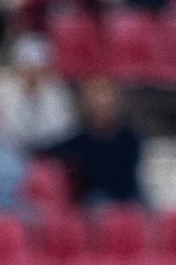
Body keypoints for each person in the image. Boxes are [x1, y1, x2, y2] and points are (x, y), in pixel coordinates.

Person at [46, 76, 144, 205]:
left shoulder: (133, 139)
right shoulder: (75, 143)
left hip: (127, 202)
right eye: (94, 95)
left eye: (105, 94)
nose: (100, 102)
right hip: (88, 205)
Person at [0, 33, 76, 150]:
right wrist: (27, 98)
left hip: (54, 150)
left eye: (39, 70)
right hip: (13, 151)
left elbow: (62, 129)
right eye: (28, 69)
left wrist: (39, 98)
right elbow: (7, 131)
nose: (33, 75)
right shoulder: (2, 91)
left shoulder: (59, 91)